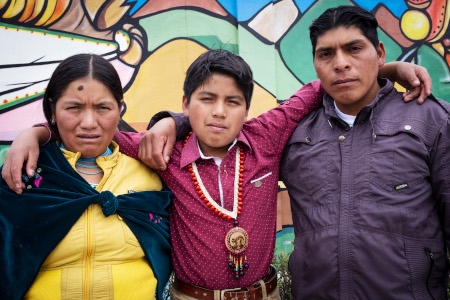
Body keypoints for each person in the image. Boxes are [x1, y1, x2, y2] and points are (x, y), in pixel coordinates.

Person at [2, 51, 433, 300]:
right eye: (206, 99)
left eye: (233, 101)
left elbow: (323, 85)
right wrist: (35, 134)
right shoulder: (162, 152)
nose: (219, 111)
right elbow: (98, 134)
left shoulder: (266, 136)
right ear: (186, 102)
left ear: (249, 108)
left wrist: (389, 69)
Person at [279, 6, 450, 299]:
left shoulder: (431, 120)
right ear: (316, 64)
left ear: (380, 53)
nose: (341, 63)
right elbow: (232, 137)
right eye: (326, 54)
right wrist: (176, 122)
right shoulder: (295, 133)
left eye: (354, 48)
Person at [0, 54, 171, 300]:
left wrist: (169, 123)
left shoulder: (151, 172)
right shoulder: (24, 173)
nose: (89, 123)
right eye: (74, 108)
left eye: (103, 108)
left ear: (120, 109)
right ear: (53, 110)